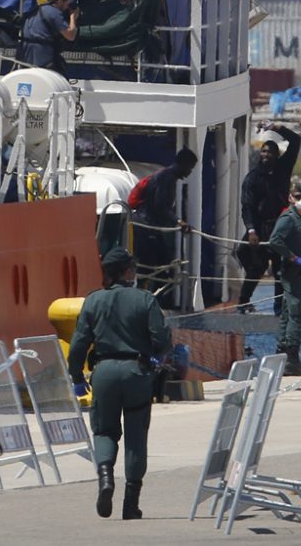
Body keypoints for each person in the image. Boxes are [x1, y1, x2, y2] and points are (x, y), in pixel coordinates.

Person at [68, 248, 172, 520]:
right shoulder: (145, 300)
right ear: (127, 271)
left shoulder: (93, 301)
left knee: (104, 431)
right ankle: (131, 504)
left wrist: (77, 377)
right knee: (136, 437)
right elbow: (162, 340)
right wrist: (155, 358)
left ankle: (105, 480)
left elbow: (78, 344)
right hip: (137, 371)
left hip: (103, 372)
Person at [236, 123, 301, 314]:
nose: (266, 155)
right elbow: (246, 207)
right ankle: (243, 302)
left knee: (281, 270)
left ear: (277, 155)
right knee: (255, 266)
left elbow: (296, 141)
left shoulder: (283, 169)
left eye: (270, 152)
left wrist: (278, 128)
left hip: (281, 228)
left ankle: (278, 309)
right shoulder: (252, 178)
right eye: (263, 152)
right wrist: (251, 230)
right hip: (260, 229)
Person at [131, 148, 198, 300]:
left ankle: (150, 300)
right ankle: (146, 302)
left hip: (148, 226)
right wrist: (179, 222)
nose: (190, 172)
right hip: (146, 226)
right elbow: (160, 207)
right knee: (155, 269)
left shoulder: (167, 176)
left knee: (162, 267)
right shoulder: (167, 178)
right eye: (190, 167)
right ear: (183, 164)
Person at [268, 184, 301, 376]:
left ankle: (283, 352)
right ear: (290, 197)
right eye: (297, 196)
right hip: (292, 272)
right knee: (296, 315)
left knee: (288, 313)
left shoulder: (299, 218)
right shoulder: (289, 218)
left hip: (299, 272)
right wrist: (293, 258)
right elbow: (275, 240)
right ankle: (291, 358)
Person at [18, 0, 80, 75]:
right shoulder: (54, 12)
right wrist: (73, 17)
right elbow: (70, 35)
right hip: (42, 58)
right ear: (60, 0)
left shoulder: (36, 10)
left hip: (25, 57)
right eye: (67, 4)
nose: (67, 7)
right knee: (61, 71)